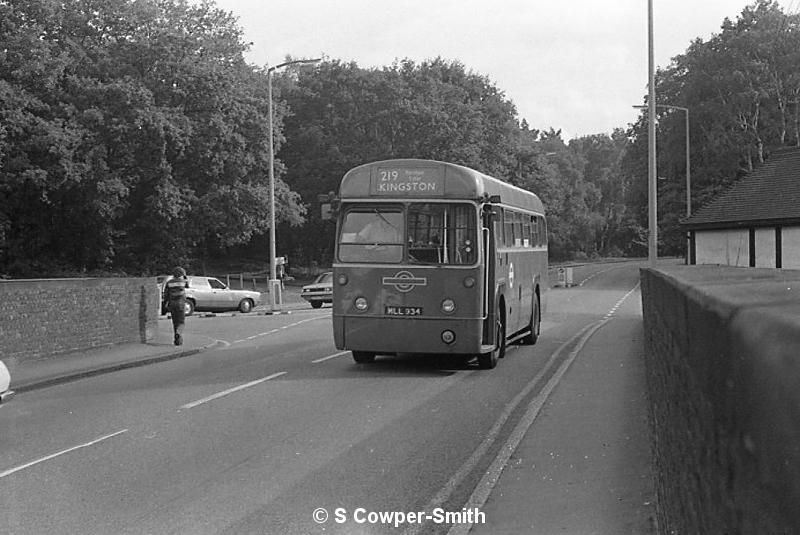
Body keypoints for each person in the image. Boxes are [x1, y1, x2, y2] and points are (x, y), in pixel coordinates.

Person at [163, 266, 189, 346]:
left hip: (172, 304)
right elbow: (187, 285)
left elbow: (166, 294)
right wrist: (185, 276)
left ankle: (176, 340)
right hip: (180, 304)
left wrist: (165, 304)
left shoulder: (169, 282)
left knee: (175, 322)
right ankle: (178, 334)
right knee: (181, 322)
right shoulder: (183, 282)